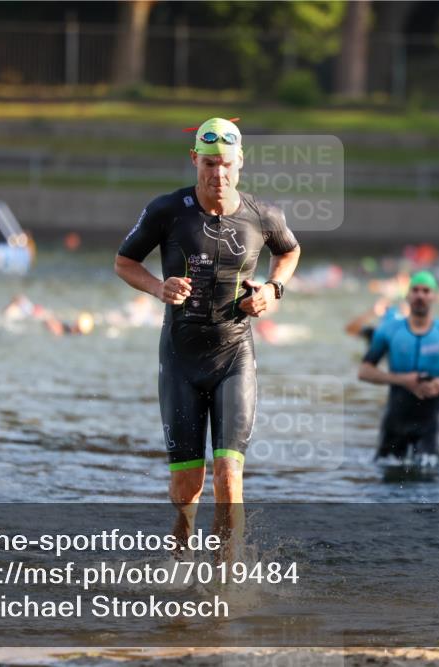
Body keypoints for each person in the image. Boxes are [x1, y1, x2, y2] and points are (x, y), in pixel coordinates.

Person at [114, 118, 301, 557]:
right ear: (194, 159)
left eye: (227, 165)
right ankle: (180, 559)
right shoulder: (167, 210)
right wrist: (158, 287)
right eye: (210, 164)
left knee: (228, 474)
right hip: (180, 358)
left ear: (241, 163)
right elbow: (124, 262)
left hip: (234, 355)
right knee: (187, 483)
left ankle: (226, 576)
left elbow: (290, 251)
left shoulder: (263, 215)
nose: (218, 174)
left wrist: (273, 290)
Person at [357, 271, 439, 469]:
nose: (420, 295)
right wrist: (402, 380)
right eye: (415, 290)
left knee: (431, 481)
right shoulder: (389, 330)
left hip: (430, 421)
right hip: (395, 418)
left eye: (426, 291)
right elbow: (364, 371)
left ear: (433, 296)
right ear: (408, 295)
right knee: (385, 482)